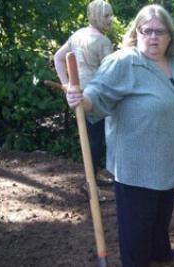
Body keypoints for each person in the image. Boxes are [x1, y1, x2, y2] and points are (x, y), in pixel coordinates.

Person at [65, 4, 174, 267]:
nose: (153, 37)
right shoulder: (124, 61)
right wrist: (82, 98)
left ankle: (160, 252)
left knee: (160, 217)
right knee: (137, 231)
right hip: (136, 166)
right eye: (146, 31)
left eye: (160, 31)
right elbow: (98, 93)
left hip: (167, 161)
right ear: (137, 32)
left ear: (170, 36)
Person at [54, 0, 115, 201]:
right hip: (95, 99)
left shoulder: (77, 35)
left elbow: (58, 57)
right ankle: (90, 185)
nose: (110, 19)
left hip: (79, 96)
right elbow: (112, 74)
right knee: (96, 141)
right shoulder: (103, 42)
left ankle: (93, 178)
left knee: (92, 139)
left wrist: (67, 86)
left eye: (110, 15)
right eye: (106, 15)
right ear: (95, 15)